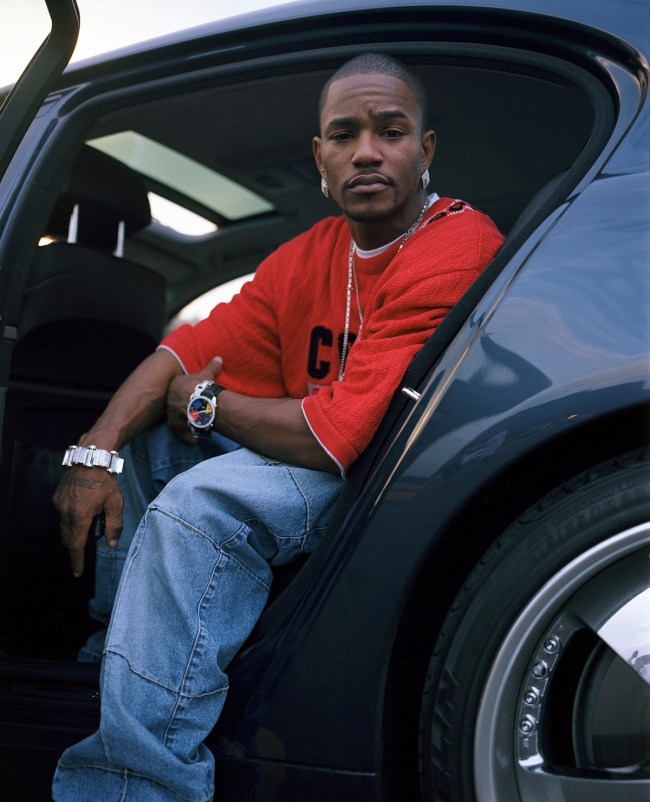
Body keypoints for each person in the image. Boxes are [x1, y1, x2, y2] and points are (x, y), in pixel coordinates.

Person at [52, 53, 504, 801]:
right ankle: (116, 651)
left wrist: (208, 406)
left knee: (197, 504)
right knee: (147, 439)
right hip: (312, 449)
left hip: (384, 476)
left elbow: (336, 437)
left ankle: (135, 784)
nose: (367, 150)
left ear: (424, 152)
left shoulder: (457, 243)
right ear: (320, 158)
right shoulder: (309, 255)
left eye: (390, 131)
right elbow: (181, 353)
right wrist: (94, 450)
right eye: (344, 134)